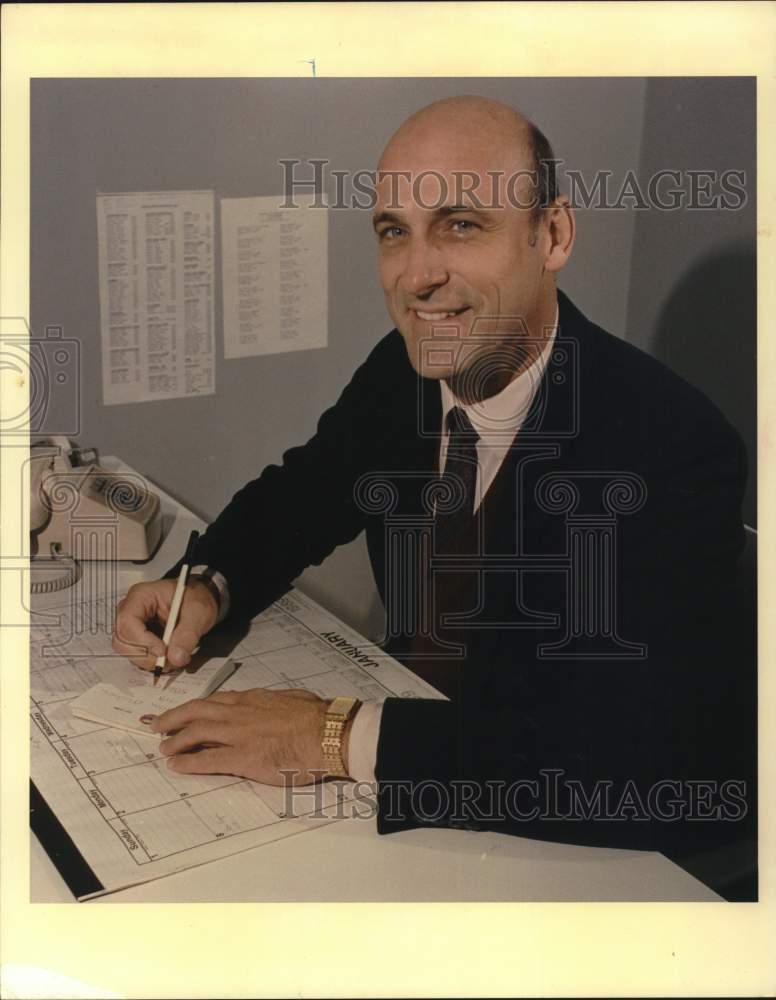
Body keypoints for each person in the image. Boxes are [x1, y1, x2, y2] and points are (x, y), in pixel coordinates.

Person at [113, 96, 755, 897]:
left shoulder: (667, 442)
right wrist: (202, 582)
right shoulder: (407, 368)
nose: (417, 276)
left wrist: (330, 734)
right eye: (395, 232)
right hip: (420, 782)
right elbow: (305, 491)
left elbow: (641, 759)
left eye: (461, 225)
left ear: (551, 235)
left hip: (581, 853)